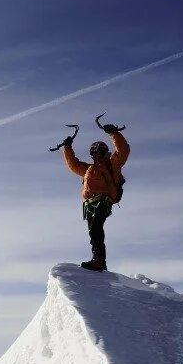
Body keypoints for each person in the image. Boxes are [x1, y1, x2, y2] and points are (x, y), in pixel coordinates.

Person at [60, 116, 129, 272]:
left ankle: (98, 260)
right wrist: (67, 148)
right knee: (94, 231)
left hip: (103, 201)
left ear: (104, 153)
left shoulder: (113, 164)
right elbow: (73, 165)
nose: (95, 155)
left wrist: (114, 133)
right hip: (90, 204)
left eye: (98, 152)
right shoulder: (88, 169)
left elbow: (123, 151)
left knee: (96, 226)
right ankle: (98, 260)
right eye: (93, 153)